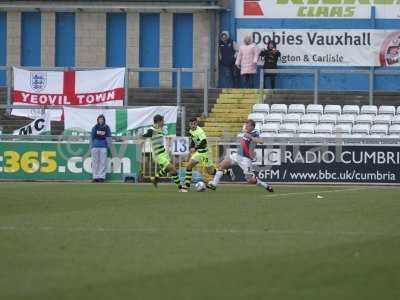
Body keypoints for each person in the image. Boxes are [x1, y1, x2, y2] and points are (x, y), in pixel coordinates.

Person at [207, 119, 273, 192]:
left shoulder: (255, 133)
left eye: (247, 126)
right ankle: (214, 184)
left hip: (246, 159)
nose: (246, 127)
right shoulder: (246, 132)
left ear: (252, 126)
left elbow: (261, 141)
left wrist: (251, 137)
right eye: (246, 126)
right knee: (222, 165)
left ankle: (265, 185)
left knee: (250, 180)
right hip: (237, 155)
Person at [142, 114, 187, 192]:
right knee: (173, 169)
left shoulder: (159, 129)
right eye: (163, 121)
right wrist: (141, 138)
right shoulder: (152, 130)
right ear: (159, 121)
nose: (164, 122)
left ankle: (155, 178)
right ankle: (180, 188)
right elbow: (145, 135)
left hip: (163, 153)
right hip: (158, 155)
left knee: (170, 169)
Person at [184, 117, 218, 190]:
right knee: (189, 166)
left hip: (205, 153)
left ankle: (224, 171)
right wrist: (191, 148)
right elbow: (193, 140)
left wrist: (195, 148)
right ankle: (187, 186)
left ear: (196, 123)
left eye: (193, 124)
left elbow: (204, 142)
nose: (192, 125)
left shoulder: (200, 131)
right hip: (199, 152)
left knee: (211, 172)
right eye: (190, 124)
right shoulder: (191, 131)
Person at [91, 114, 111, 183]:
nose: (101, 120)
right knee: (95, 162)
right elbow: (92, 137)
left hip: (103, 147)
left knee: (103, 162)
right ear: (98, 120)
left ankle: (101, 177)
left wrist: (109, 146)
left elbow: (109, 137)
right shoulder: (95, 127)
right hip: (95, 147)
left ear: (104, 120)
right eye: (99, 119)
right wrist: (92, 146)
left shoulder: (107, 127)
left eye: (102, 119)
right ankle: (95, 177)